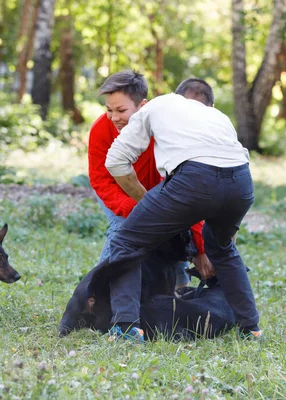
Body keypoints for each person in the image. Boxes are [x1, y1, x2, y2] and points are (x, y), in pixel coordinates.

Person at [95, 77, 262, 343]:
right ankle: (250, 327)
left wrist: (144, 199)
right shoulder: (216, 115)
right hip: (241, 181)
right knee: (223, 249)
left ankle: (126, 327)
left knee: (126, 241)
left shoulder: (157, 106)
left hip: (194, 178)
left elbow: (116, 161)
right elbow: (235, 159)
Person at [88, 71, 213, 289]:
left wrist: (200, 249)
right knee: (124, 227)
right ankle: (98, 293)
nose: (114, 117)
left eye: (121, 110)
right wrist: (133, 208)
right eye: (109, 110)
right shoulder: (101, 129)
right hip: (117, 193)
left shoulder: (164, 129)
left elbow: (185, 192)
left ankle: (179, 285)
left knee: (168, 227)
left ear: (142, 106)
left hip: (157, 193)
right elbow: (100, 180)